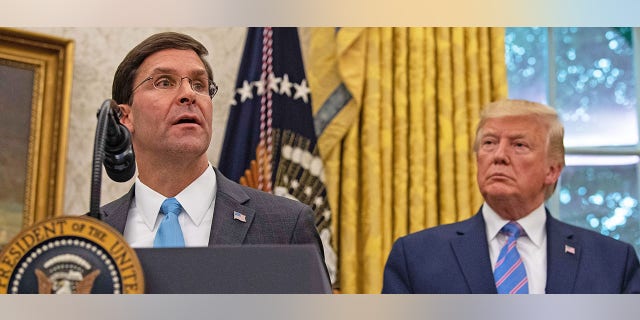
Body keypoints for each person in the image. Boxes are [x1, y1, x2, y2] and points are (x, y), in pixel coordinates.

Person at [99, 32, 324, 261]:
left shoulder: (285, 226)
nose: (189, 94)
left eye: (199, 84)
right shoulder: (91, 234)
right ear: (124, 117)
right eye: (164, 82)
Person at [382, 99, 640, 294]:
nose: (499, 155)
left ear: (552, 170)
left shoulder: (613, 262)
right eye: (489, 143)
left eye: (519, 145)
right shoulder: (415, 257)